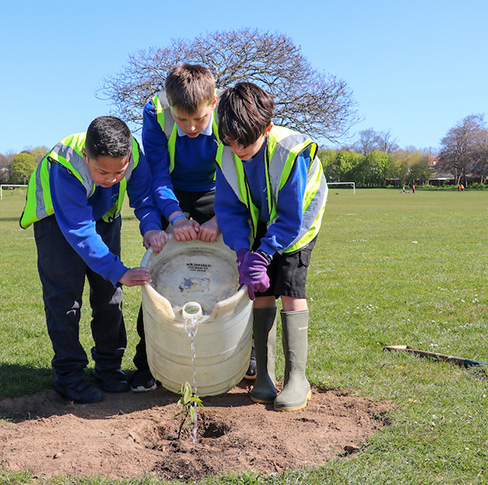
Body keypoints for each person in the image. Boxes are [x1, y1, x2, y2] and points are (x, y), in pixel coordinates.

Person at [19, 116, 168, 404]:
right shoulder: (63, 165)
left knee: (110, 297)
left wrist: (150, 227)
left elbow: (144, 199)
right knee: (64, 301)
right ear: (86, 156)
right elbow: (79, 230)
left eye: (119, 173)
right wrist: (117, 269)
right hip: (58, 225)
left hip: (104, 220)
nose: (111, 181)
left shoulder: (133, 155)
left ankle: (108, 368)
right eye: (102, 173)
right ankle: (69, 375)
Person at [213, 82, 328, 412]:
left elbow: (290, 216)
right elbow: (229, 207)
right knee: (260, 292)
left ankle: (297, 379)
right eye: (231, 143)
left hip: (298, 222)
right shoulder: (227, 153)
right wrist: (243, 252)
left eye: (245, 143)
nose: (238, 150)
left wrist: (265, 254)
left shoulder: (290, 151)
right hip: (259, 218)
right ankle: (264, 377)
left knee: (290, 289)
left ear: (266, 127)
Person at [131, 63, 229, 392]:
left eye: (198, 120)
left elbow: (235, 174)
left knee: (238, 260)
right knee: (157, 274)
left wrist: (220, 220)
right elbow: (157, 173)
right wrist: (175, 218)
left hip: (217, 189)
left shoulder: (229, 112)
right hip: (170, 190)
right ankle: (146, 363)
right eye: (181, 119)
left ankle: (246, 354)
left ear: (213, 104)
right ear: (170, 106)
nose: (189, 128)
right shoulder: (155, 112)